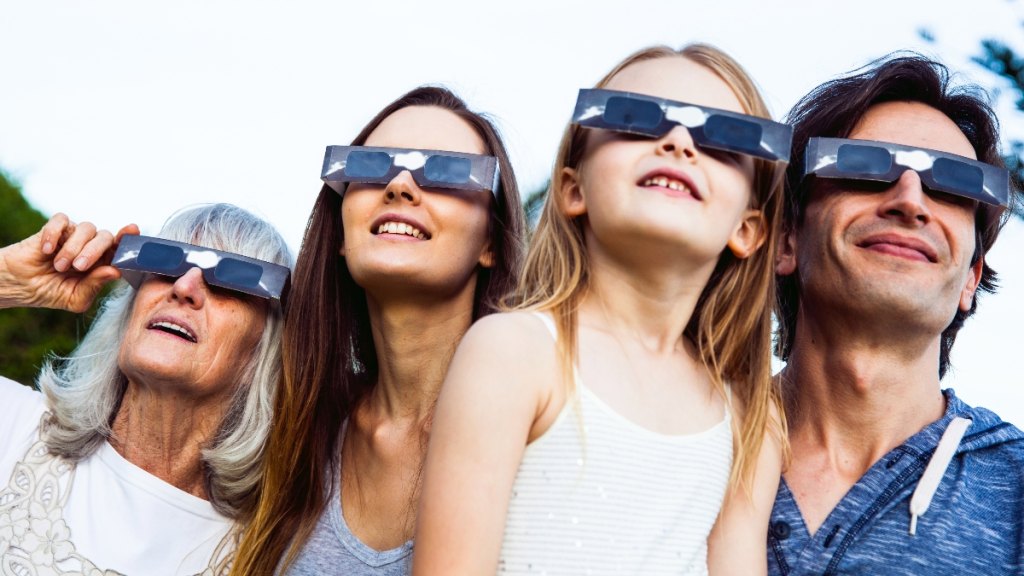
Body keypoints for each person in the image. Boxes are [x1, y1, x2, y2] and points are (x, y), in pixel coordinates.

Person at [414, 44, 789, 575]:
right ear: (573, 188)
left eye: (724, 138)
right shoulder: (514, 351)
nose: (678, 141)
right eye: (633, 118)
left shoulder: (751, 418)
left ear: (747, 228)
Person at [231, 86, 526, 575]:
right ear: (343, 234)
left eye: (447, 170)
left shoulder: (537, 434)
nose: (401, 185)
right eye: (371, 166)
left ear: (490, 242)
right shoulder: (294, 430)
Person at [769, 54, 1024, 575]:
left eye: (953, 184)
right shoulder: (670, 441)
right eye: (866, 166)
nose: (910, 200)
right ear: (786, 239)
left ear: (972, 276)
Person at [0, 203, 291, 575]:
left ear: (262, 354)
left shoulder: (278, 549)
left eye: (228, 280)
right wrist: (7, 281)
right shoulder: (14, 428)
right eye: (167, 265)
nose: (184, 287)